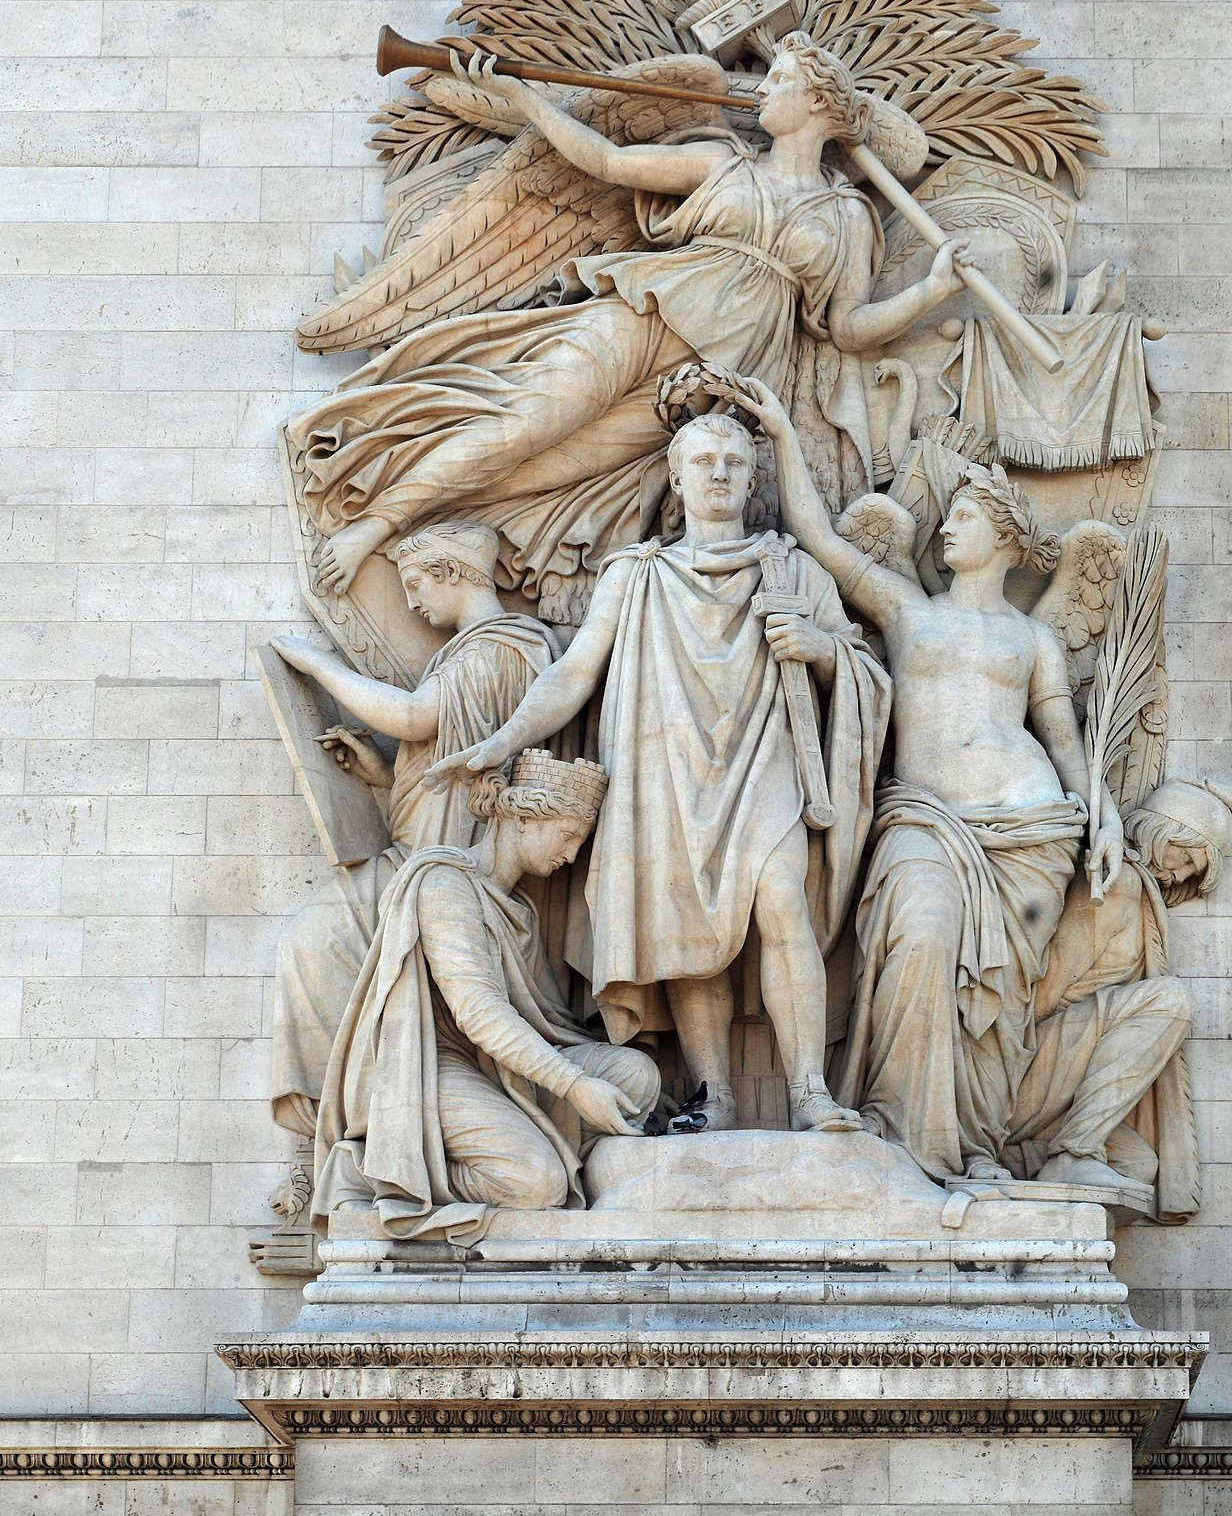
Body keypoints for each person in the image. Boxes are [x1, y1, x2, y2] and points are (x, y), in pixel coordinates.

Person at [286, 33, 975, 620]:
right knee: (527, 423)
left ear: (819, 103)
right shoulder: (722, 162)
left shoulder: (847, 214)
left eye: (782, 81)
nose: (764, 91)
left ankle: (429, 539)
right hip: (648, 311)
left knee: (555, 468)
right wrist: (525, 98)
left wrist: (930, 290)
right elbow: (608, 163)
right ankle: (372, 523)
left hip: (708, 384)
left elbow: (848, 329)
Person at [426, 409, 890, 1135]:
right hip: (667, 768)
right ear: (676, 477)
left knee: (781, 903)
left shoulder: (793, 569)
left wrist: (822, 651)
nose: (719, 475)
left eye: (734, 463)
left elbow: (864, 664)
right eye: (703, 461)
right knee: (686, 927)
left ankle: (810, 1093)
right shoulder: (637, 575)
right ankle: (715, 1095)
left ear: (752, 477)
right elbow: (576, 671)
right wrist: (503, 740)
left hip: (766, 763)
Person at [731, 375, 1123, 1183]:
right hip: (924, 820)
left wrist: (1105, 818)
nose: (948, 529)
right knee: (921, 938)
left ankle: (972, 1144)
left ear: (1007, 536)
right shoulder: (908, 609)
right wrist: (779, 431)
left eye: (967, 517)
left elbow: (1063, 740)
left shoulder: (1033, 640)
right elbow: (815, 532)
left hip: (1030, 828)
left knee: (997, 1001)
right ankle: (907, 1139)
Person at [266, 520, 556, 1141]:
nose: (414, 602)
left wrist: (319, 665)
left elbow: (415, 717)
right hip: (420, 850)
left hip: (440, 867)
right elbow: (440, 754)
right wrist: (380, 779)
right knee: (315, 946)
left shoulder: (502, 647)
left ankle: (347, 1126)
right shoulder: (469, 652)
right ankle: (348, 1123)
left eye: (417, 584)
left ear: (452, 573)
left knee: (313, 942)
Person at [313, 751, 661, 1239]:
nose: (571, 856)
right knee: (535, 1183)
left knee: (637, 1076)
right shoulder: (445, 884)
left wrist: (591, 1067)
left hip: (500, 1066)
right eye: (568, 837)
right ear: (522, 818)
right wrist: (576, 1085)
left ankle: (542, 1143)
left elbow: (544, 1021)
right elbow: (479, 1012)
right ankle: (390, 1171)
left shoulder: (520, 910)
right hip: (432, 1065)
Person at [1004, 775, 1232, 1213]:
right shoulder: (1119, 884)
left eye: (1193, 871)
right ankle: (1072, 1153)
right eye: (1184, 856)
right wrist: (1003, 1071)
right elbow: (1044, 989)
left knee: (1138, 1163)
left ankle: (1014, 1157)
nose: (1180, 873)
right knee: (1170, 1002)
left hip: (1059, 1078)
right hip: (1025, 1067)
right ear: (1158, 830)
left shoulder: (1138, 892)